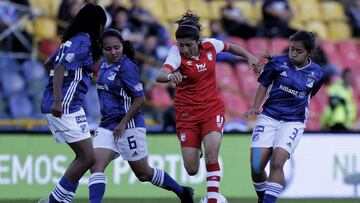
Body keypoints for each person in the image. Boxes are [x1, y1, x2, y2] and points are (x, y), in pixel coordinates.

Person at [155, 11, 260, 203]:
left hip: (212, 109)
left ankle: (212, 198)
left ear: (198, 41)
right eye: (181, 45)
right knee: (192, 169)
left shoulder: (210, 45)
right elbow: (160, 75)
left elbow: (231, 47)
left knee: (212, 155)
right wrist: (171, 76)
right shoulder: (175, 53)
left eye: (189, 45)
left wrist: (249, 56)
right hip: (186, 114)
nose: (185, 49)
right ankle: (197, 149)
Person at [88, 28, 194, 203]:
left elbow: (139, 99)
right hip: (108, 125)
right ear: (102, 49)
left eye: (117, 47)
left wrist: (122, 123)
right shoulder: (104, 65)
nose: (113, 52)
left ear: (122, 46)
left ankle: (182, 191)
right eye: (108, 49)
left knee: (144, 173)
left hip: (128, 125)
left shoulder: (127, 67)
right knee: (95, 166)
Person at [243, 31, 325, 203]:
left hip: (293, 121)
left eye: (299, 51)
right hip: (269, 117)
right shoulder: (277, 63)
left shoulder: (317, 73)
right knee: (257, 166)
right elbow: (264, 83)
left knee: (278, 162)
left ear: (309, 53)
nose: (293, 54)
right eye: (292, 49)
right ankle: (262, 199)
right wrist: (255, 107)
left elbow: (309, 95)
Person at [38, 3, 107, 203]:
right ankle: (54, 201)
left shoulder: (71, 40)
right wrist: (58, 99)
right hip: (65, 105)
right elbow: (59, 68)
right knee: (88, 157)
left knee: (85, 157)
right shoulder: (83, 40)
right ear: (97, 24)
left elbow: (48, 63)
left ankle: (58, 200)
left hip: (69, 103)